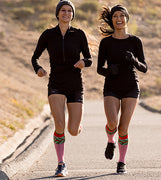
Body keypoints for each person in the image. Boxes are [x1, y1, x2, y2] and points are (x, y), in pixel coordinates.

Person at [31, 0, 92, 177]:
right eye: (63, 10)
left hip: (75, 84)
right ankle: (61, 163)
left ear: (72, 14)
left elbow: (89, 58)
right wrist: (39, 69)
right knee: (59, 124)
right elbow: (34, 58)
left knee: (72, 130)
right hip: (56, 83)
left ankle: (78, 123)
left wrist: (83, 62)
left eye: (69, 11)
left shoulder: (79, 34)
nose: (66, 13)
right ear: (57, 14)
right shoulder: (48, 35)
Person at [97, 5, 147, 174]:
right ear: (112, 20)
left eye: (122, 15)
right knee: (112, 123)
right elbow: (99, 69)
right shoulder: (106, 43)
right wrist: (109, 71)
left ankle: (121, 162)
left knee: (123, 128)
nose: (119, 19)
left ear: (126, 18)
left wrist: (134, 60)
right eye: (115, 16)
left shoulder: (135, 41)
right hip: (111, 86)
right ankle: (111, 140)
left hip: (131, 87)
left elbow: (144, 67)